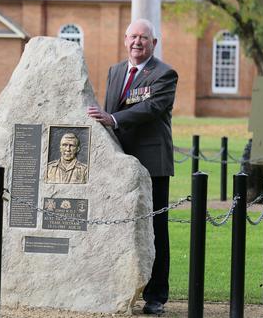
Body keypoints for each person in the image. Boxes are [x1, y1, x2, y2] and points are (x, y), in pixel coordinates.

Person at [87, 19, 177, 315]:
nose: (138, 42)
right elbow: (108, 108)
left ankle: (156, 295)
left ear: (154, 43)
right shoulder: (115, 71)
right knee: (114, 225)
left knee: (154, 228)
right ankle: (117, 287)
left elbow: (151, 108)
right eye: (133, 36)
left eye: (144, 38)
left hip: (151, 163)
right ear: (125, 39)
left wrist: (113, 119)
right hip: (118, 161)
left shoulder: (164, 74)